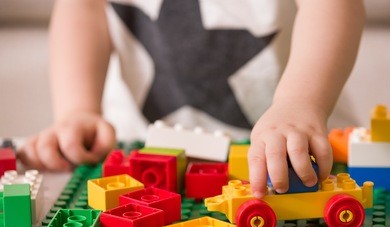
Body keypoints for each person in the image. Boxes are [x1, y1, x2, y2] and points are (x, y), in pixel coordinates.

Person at [19, 0, 366, 199]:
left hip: (303, 143)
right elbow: (84, 8)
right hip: (141, 146)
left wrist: (301, 103)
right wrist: (78, 108)